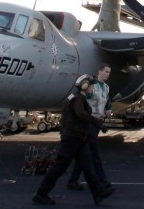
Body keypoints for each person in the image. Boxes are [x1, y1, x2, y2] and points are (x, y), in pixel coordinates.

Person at [32, 74, 115, 206]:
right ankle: (41, 194)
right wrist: (98, 123)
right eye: (91, 85)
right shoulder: (77, 100)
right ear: (85, 86)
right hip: (72, 138)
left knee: (88, 165)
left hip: (80, 137)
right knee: (60, 166)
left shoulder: (79, 98)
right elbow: (81, 114)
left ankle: (99, 193)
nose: (93, 88)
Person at [67, 64, 112, 192]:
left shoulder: (107, 87)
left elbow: (106, 100)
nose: (108, 74)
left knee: (84, 154)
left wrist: (108, 109)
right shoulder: (91, 87)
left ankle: (72, 180)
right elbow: (80, 98)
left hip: (98, 122)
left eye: (109, 72)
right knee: (95, 154)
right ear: (99, 71)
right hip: (89, 122)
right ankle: (103, 181)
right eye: (106, 71)